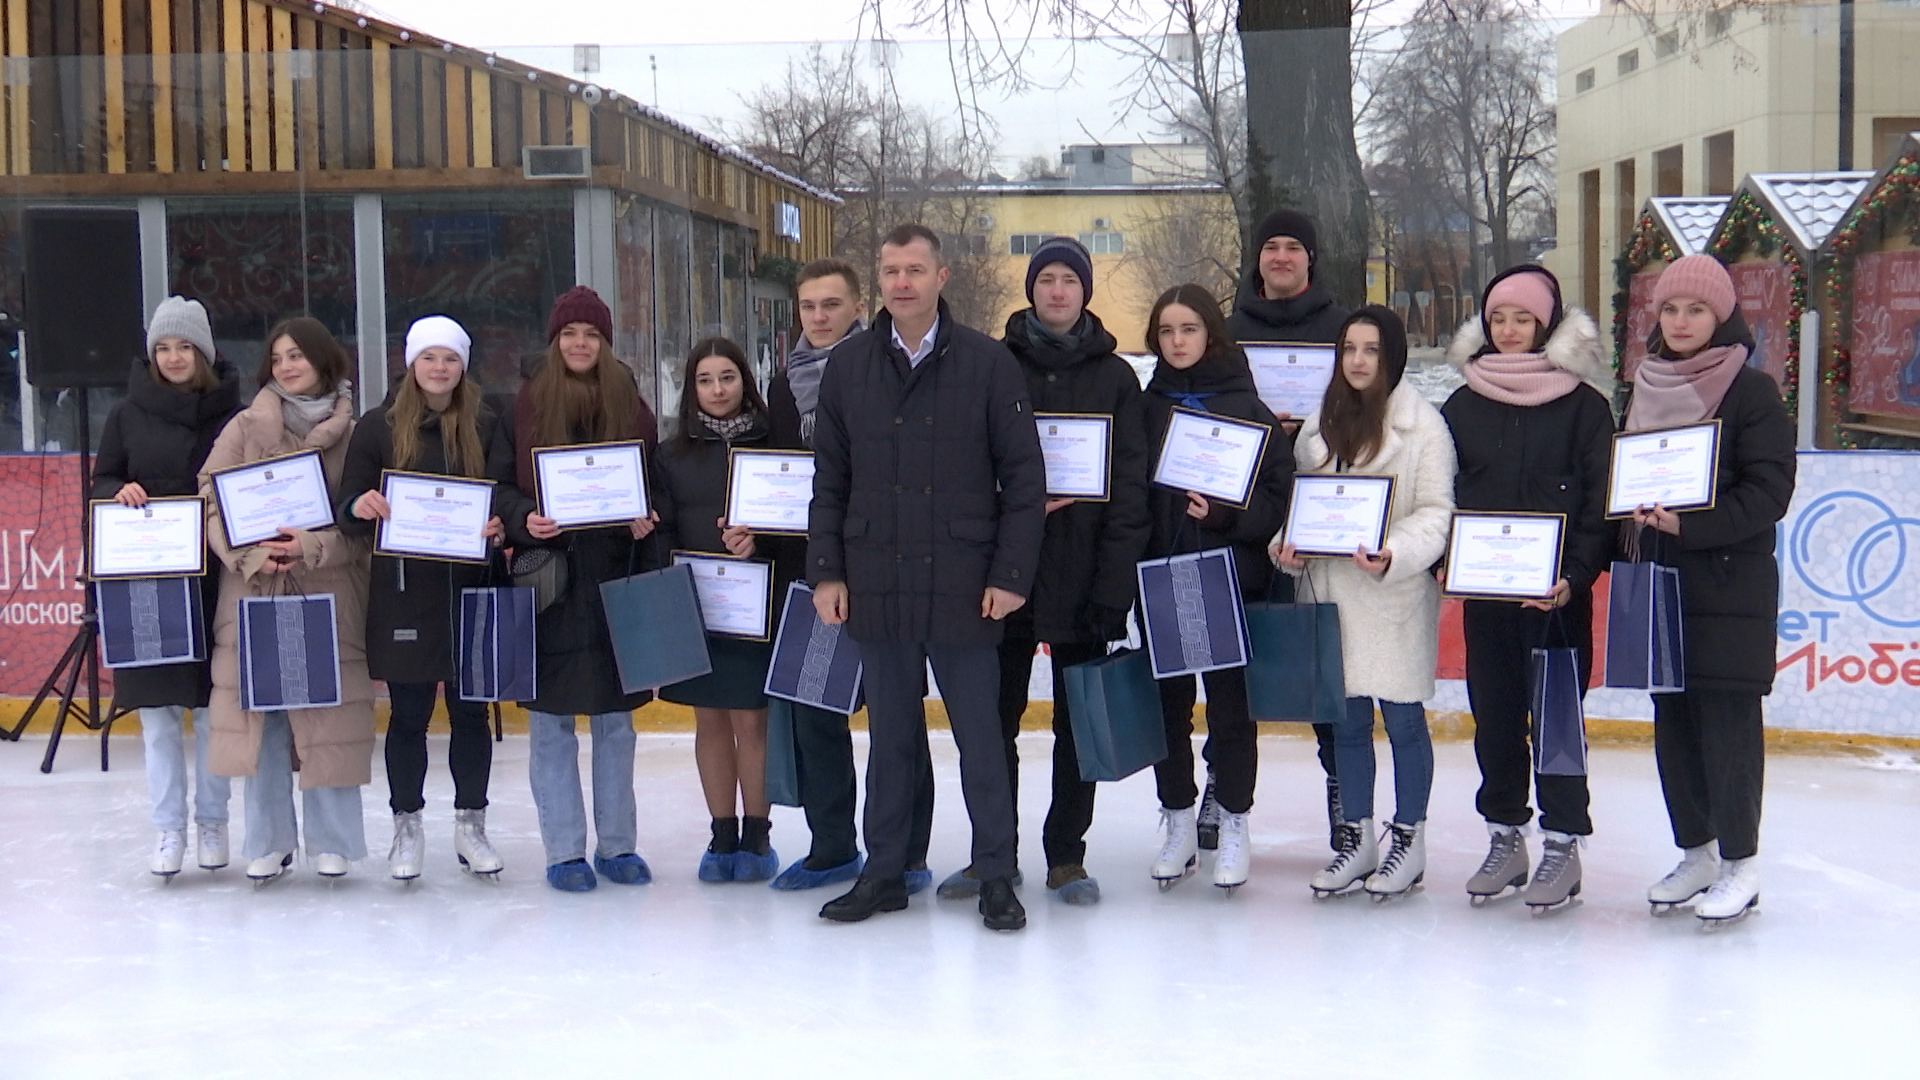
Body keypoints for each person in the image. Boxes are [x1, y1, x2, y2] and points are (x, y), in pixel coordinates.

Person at [808, 224, 1047, 931]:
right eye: (890, 271)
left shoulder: (987, 363)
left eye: (915, 269)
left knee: (980, 738)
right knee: (891, 739)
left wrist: (1010, 574)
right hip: (877, 576)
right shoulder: (848, 367)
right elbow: (829, 482)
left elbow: (1024, 480)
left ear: (943, 276)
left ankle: (997, 873)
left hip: (966, 583)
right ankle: (884, 871)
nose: (902, 282)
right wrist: (827, 573)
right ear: (877, 282)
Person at [928, 237, 1150, 906]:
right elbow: (967, 465)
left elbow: (1130, 487)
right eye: (1046, 279)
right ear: (1031, 289)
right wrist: (1008, 501)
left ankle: (1066, 857)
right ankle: (994, 853)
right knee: (994, 721)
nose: (1057, 291)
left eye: (1068, 281)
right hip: (1006, 571)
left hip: (1085, 574)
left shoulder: (1116, 378)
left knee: (1077, 725)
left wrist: (1115, 587)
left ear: (1085, 291)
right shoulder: (994, 364)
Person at [1441, 267, 1615, 912]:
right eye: (1496, 320)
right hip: (1487, 601)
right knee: (1495, 718)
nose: (1508, 331)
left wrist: (1574, 577)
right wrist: (1446, 559)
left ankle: (1563, 843)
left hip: (1557, 603)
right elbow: (1443, 493)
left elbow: (1601, 508)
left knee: (1558, 725)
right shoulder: (1461, 404)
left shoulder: (1584, 407)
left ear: (1546, 323)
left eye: (1522, 319)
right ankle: (1505, 834)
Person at [1628, 254, 1794, 926]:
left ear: (1722, 316)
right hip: (1659, 581)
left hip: (1727, 585)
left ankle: (1741, 865)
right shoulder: (1641, 386)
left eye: (1696, 309)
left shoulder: (1750, 392)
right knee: (1675, 726)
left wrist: (1690, 525)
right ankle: (1695, 852)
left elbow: (1769, 492)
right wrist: (1627, 521)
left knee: (1726, 726)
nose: (1682, 321)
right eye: (1670, 309)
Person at [765, 260, 937, 895]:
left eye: (831, 305)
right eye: (808, 306)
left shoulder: (888, 365)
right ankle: (831, 844)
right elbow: (776, 471)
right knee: (815, 714)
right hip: (815, 573)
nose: (818, 317)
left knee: (898, 718)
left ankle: (908, 851)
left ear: (859, 305)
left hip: (891, 568)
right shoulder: (785, 383)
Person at [1275, 306, 1455, 902]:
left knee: (1403, 720)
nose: (1357, 360)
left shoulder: (1423, 427)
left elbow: (1436, 513)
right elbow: (1300, 505)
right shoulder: (1317, 425)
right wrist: (1287, 544)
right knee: (1347, 724)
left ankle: (1410, 838)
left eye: (1371, 349)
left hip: (1390, 595)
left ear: (1393, 355)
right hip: (1330, 597)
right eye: (1349, 348)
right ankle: (1358, 838)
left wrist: (1394, 550)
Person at [337, 316, 513, 882]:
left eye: (450, 358)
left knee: (471, 713)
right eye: (429, 357)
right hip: (404, 596)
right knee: (408, 715)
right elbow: (348, 506)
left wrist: (500, 524)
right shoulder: (377, 427)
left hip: (471, 591)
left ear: (464, 365)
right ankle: (406, 825)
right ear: (411, 363)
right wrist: (360, 508)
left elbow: (507, 495)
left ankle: (471, 822)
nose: (439, 368)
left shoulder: (489, 423)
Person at [497, 287, 662, 893]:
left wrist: (647, 514)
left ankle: (618, 845)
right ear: (554, 341)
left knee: (616, 724)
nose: (580, 344)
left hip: (615, 579)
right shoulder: (528, 404)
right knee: (551, 723)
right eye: (570, 334)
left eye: (591, 335)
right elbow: (501, 488)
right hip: (550, 583)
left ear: (606, 343)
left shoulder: (634, 407)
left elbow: (655, 485)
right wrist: (524, 520)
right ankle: (564, 851)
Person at [200, 317, 372, 883]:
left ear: (324, 361)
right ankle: (269, 840)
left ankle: (333, 842)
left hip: (328, 590)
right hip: (255, 592)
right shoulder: (243, 426)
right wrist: (249, 556)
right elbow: (211, 499)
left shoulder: (360, 433)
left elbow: (367, 518)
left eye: (297, 355)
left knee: (329, 717)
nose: (287, 366)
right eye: (277, 359)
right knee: (263, 718)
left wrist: (314, 546)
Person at [1139, 285, 1292, 893]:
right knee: (1168, 708)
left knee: (1230, 708)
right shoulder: (1144, 408)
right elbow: (1127, 496)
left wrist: (1229, 518)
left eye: (1189, 329)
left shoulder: (1248, 409)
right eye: (1167, 331)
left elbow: (1279, 494)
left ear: (1211, 334)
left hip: (1228, 577)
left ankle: (1233, 821)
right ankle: (1178, 820)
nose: (1178, 342)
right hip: (1161, 577)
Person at [93, 296, 241, 877]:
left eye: (184, 346)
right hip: (148, 587)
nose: (173, 357)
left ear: (203, 352)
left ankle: (212, 823)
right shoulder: (125, 414)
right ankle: (168, 830)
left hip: (214, 582)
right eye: (163, 347)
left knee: (210, 712)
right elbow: (104, 477)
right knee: (157, 716)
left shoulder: (236, 414)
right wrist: (117, 491)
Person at [1225, 208, 1350, 851]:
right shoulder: (1232, 329)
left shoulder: (1339, 327)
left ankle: (1344, 797)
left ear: (1310, 259)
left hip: (1324, 512)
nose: (1280, 257)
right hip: (1247, 514)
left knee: (1324, 660)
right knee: (1236, 662)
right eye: (1269, 246)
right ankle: (1226, 795)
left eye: (1292, 247)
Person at [655, 337, 787, 884]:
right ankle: (722, 833)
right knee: (709, 720)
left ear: (744, 380)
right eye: (705, 380)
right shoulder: (668, 453)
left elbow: (796, 520)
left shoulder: (772, 443)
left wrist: (762, 544)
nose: (717, 389)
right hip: (697, 605)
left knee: (752, 720)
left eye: (727, 377)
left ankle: (758, 835)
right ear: (692, 388)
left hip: (755, 605)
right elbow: (659, 526)